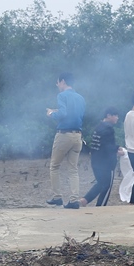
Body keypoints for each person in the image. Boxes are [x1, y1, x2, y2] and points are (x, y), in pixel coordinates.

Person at [46, 72, 86, 209]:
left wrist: (52, 114)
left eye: (58, 82)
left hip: (64, 135)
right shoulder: (80, 98)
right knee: (73, 169)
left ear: (63, 81)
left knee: (54, 166)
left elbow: (63, 114)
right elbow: (76, 114)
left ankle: (57, 197)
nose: (57, 85)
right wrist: (58, 111)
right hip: (78, 136)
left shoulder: (62, 95)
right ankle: (74, 200)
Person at [80, 107, 123, 207]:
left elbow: (103, 143)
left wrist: (116, 147)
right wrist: (117, 151)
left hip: (95, 161)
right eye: (115, 115)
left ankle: (84, 200)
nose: (117, 118)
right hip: (106, 164)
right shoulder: (109, 128)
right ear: (108, 116)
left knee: (100, 183)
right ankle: (100, 207)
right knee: (107, 186)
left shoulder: (99, 127)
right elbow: (108, 146)